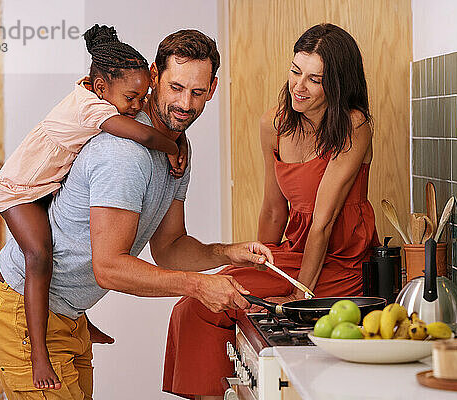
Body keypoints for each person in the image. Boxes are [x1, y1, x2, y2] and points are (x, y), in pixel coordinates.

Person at [0, 29, 271, 400]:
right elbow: (109, 267)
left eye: (197, 92)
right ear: (154, 77)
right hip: (20, 309)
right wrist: (198, 286)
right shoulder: (124, 155)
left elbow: (170, 247)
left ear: (212, 89)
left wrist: (228, 253)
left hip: (67, 315)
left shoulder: (177, 147)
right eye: (175, 88)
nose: (185, 104)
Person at [163, 23, 380, 399]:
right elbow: (273, 211)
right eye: (296, 71)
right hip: (294, 252)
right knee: (195, 306)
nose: (299, 85)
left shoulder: (353, 125)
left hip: (341, 259)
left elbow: (324, 222)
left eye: (315, 79)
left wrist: (302, 294)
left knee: (210, 305)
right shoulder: (275, 123)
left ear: (339, 84)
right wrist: (255, 264)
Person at [0, 24, 190, 391]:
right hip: (16, 190)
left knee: (68, 231)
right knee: (39, 253)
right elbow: (143, 134)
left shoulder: (105, 97)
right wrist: (176, 146)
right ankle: (39, 355)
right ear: (100, 88)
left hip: (44, 186)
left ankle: (72, 314)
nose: (137, 106)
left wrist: (181, 138)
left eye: (143, 97)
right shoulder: (94, 111)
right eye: (132, 97)